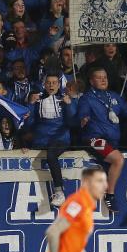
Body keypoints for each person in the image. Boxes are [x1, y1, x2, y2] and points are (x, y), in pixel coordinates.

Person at [76, 67, 127, 212]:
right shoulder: (86, 98)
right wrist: (84, 118)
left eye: (105, 77)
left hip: (112, 141)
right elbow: (82, 112)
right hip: (94, 139)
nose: (103, 80)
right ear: (91, 81)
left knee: (113, 164)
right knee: (118, 159)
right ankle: (110, 196)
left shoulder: (114, 96)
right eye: (99, 77)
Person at [24, 74, 78, 206]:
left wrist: (69, 105)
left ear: (59, 85)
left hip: (60, 139)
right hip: (40, 141)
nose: (51, 85)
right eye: (48, 83)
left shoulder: (65, 100)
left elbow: (73, 123)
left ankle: (59, 191)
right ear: (44, 85)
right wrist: (30, 105)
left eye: (54, 83)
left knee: (51, 155)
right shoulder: (37, 101)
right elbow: (28, 124)